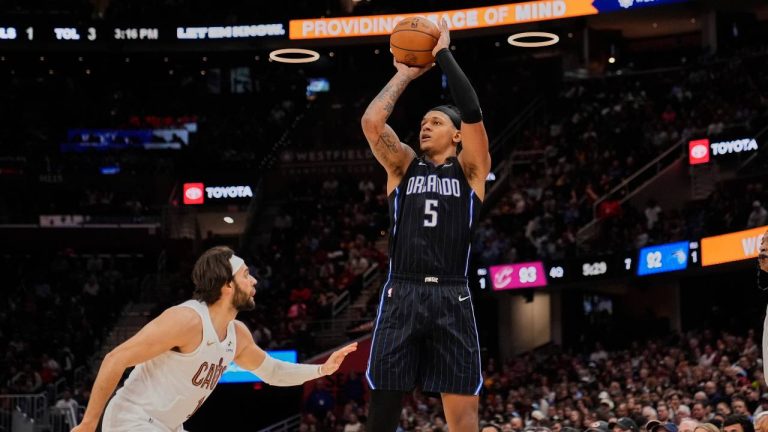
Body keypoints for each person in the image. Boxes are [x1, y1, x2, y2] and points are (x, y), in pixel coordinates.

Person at [360, 18, 490, 432]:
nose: (425, 125)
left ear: (457, 136)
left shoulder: (472, 170)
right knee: (382, 407)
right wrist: (403, 74)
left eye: (436, 122)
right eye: (423, 122)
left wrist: (442, 55)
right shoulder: (401, 165)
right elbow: (372, 124)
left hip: (453, 293)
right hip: (404, 288)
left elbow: (471, 110)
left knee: (463, 418)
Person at [72, 246, 357, 432]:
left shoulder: (237, 334)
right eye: (246, 274)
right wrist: (88, 422)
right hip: (131, 421)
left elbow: (273, 371)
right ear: (227, 285)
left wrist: (321, 369)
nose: (254, 280)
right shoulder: (186, 320)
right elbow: (115, 358)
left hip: (167, 426)